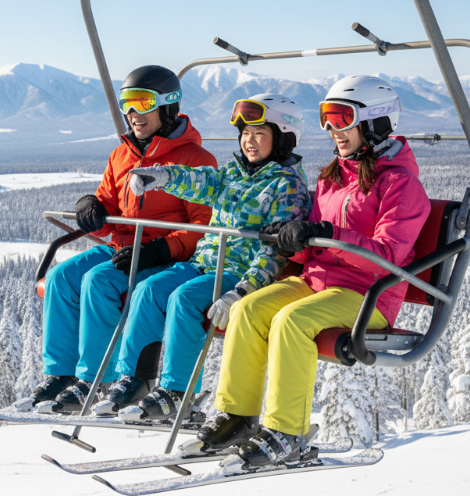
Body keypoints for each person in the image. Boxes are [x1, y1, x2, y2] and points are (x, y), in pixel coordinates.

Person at [196, 76, 431, 468]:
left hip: (367, 296)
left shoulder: (401, 185)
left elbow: (388, 255)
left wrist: (328, 234)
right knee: (247, 310)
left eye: (342, 119)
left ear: (376, 122)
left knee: (292, 321)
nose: (333, 130)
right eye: (327, 119)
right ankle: (237, 416)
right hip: (316, 282)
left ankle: (286, 432)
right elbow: (312, 245)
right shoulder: (332, 177)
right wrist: (292, 240)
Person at [92, 94, 311, 419]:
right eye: (245, 133)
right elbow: (202, 181)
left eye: (260, 134)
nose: (249, 141)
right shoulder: (236, 173)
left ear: (283, 138)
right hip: (204, 264)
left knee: (184, 299)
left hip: (238, 272)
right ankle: (136, 378)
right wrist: (164, 176)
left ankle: (176, 391)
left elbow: (277, 251)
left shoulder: (287, 187)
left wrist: (243, 290)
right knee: (148, 289)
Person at [28, 65, 217, 413]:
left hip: (164, 255)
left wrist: (160, 249)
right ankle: (62, 373)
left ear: (168, 105)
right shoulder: (121, 154)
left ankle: (96, 380)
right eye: (126, 103)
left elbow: (203, 225)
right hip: (123, 248)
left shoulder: (196, 161)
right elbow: (108, 208)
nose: (132, 113)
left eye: (143, 102)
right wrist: (92, 208)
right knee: (60, 278)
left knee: (99, 281)